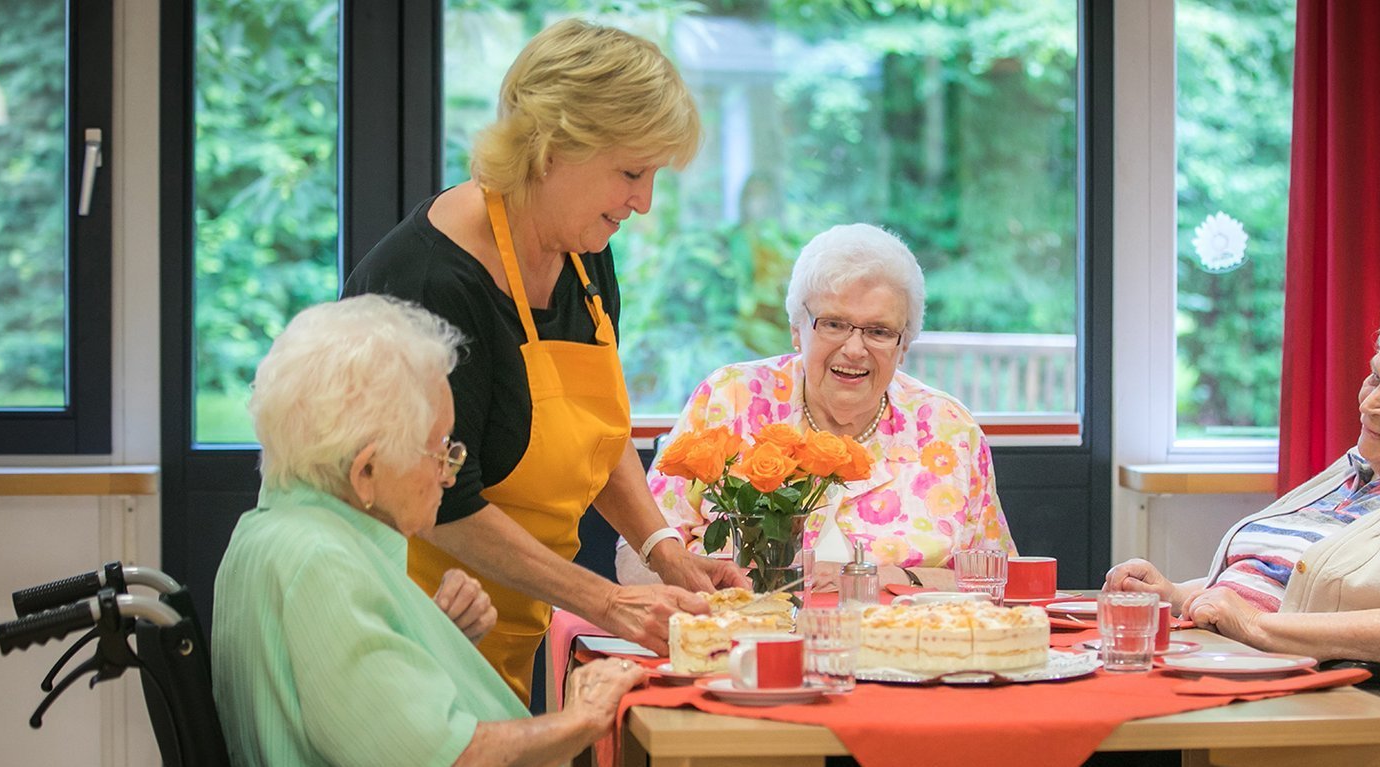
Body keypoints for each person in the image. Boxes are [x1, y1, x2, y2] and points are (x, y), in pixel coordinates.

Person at [341, 19, 745, 700]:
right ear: (553, 148)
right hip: (406, 634)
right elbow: (445, 502)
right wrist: (608, 601)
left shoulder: (583, 254)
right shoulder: (430, 281)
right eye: (630, 172)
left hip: (507, 632)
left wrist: (666, 552)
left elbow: (595, 435)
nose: (643, 203)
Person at [213, 295, 650, 766]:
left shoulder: (269, 532)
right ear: (366, 473)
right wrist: (582, 717)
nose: (449, 473)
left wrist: (431, 635)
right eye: (440, 449)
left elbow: (346, 705)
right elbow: (445, 760)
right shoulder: (323, 564)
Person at [1105, 294, 1380, 668]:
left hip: (1298, 702)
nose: (1369, 404)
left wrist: (1258, 626)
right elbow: (1274, 579)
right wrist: (1174, 594)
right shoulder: (1362, 471)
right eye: (1374, 377)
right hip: (1213, 659)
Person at [616, 223, 1015, 589]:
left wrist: (891, 578)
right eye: (834, 324)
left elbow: (999, 579)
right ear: (796, 329)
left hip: (906, 651)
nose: (855, 349)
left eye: (879, 331)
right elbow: (639, 556)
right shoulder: (729, 399)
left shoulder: (949, 429)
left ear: (904, 345)